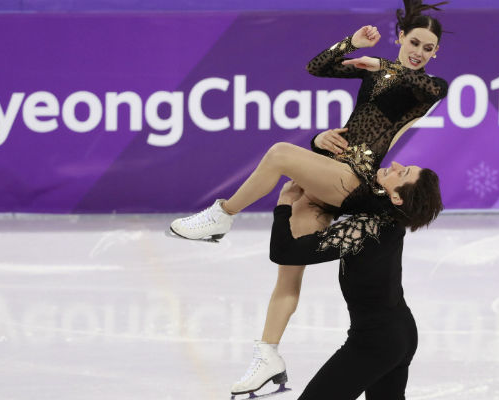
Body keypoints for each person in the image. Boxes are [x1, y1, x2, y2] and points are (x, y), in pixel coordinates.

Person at [170, 0, 449, 394]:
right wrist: (350, 45)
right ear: (401, 36)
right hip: (334, 169)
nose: (420, 52)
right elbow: (316, 67)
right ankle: (268, 355)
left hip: (359, 179)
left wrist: (382, 65)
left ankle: (223, 214)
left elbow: (420, 83)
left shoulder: (430, 87)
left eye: (428, 48)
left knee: (281, 154)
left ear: (436, 53)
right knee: (290, 264)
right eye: (415, 42)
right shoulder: (373, 75)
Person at [266, 175, 443, 400]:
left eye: (403, 172)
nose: (396, 166)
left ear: (397, 197)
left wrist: (284, 203)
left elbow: (284, 252)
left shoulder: (365, 229)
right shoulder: (388, 214)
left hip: (376, 341)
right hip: (401, 333)